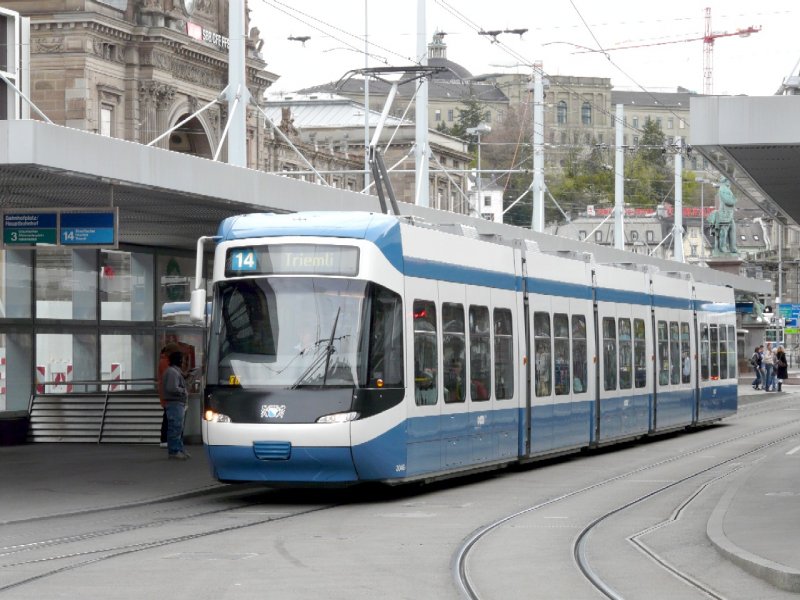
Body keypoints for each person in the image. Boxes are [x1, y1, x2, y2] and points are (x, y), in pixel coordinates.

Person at [163, 349, 190, 459]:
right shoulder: (172, 372)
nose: (183, 362)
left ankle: (179, 448)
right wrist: (183, 390)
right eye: (182, 360)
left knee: (178, 428)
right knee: (175, 427)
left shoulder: (175, 371)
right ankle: (174, 451)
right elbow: (172, 388)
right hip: (175, 403)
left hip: (178, 403)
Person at [157, 342, 182, 448]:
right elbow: (170, 379)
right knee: (169, 419)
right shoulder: (166, 363)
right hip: (168, 395)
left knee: (168, 418)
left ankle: (165, 440)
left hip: (166, 394)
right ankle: (165, 440)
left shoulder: (165, 361)